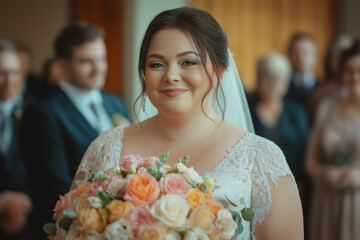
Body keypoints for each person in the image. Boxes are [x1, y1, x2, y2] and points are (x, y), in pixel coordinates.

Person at [71, 7, 303, 239]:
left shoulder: (262, 161)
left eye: (188, 62)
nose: (170, 75)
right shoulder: (105, 147)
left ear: (219, 71)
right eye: (157, 64)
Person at [20, 22, 129, 239]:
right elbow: (55, 188)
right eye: (87, 61)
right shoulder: (43, 113)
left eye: (102, 59)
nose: (98, 68)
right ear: (62, 65)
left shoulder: (116, 104)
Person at [306, 39, 360, 240]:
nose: (354, 76)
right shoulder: (325, 108)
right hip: (326, 199)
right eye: (349, 70)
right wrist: (322, 171)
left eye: (359, 70)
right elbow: (311, 158)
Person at [0, 39, 32, 239]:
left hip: (30, 223)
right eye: (2, 72)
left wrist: (26, 201)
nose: (9, 80)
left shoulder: (38, 113)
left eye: (15, 72)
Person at [308, 35, 353, 119]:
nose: (341, 61)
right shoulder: (319, 88)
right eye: (337, 56)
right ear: (330, 59)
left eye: (345, 56)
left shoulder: (356, 88)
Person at [285, 33, 318, 123]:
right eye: (296, 53)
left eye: (306, 53)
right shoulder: (283, 88)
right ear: (290, 56)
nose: (301, 57)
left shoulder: (325, 88)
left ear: (315, 56)